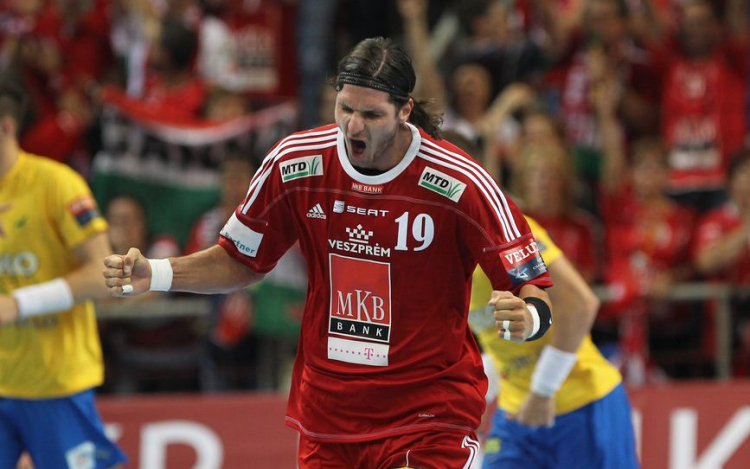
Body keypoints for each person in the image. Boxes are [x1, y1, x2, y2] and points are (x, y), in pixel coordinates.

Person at [103, 36, 554, 468]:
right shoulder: (296, 163)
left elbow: (531, 284)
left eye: (371, 114)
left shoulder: (460, 181)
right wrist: (156, 273)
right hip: (330, 416)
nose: (353, 126)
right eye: (345, 108)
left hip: (428, 415)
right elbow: (240, 260)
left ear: (405, 111)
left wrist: (529, 318)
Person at [0, 81, 126, 468]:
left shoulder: (56, 184)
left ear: (6, 126)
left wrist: (18, 304)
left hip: (55, 382)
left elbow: (102, 274)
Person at [469, 217, 639, 468]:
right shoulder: (432, 262)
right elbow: (497, 342)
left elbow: (578, 303)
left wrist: (542, 390)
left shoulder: (502, 233)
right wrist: (471, 396)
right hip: (516, 412)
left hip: (580, 403)